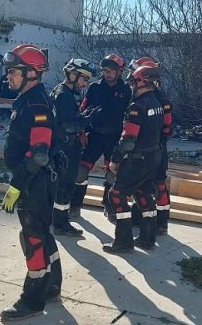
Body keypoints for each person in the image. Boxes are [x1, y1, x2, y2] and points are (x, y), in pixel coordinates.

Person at [0, 44, 61, 321]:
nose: (8, 76)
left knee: (33, 238)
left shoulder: (37, 105)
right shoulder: (28, 100)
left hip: (34, 182)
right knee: (43, 234)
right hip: (35, 181)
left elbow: (38, 155)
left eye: (12, 71)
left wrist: (17, 185)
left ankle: (33, 301)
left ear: (31, 74)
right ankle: (52, 287)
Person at [102, 65, 164, 254]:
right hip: (154, 156)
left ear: (141, 82)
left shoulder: (137, 107)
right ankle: (147, 238)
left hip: (138, 158)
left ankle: (123, 242)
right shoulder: (157, 104)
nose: (130, 85)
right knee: (143, 192)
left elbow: (128, 139)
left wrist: (115, 159)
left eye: (132, 81)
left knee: (116, 194)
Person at [69, 53, 132, 222]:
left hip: (114, 138)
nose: (107, 74)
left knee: (111, 173)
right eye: (105, 70)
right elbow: (82, 109)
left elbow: (130, 116)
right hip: (94, 136)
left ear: (119, 71)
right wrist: (81, 131)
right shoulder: (94, 88)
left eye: (111, 70)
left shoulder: (126, 90)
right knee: (81, 172)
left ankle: (108, 205)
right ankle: (75, 206)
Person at [49, 58, 97, 237]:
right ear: (73, 75)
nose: (84, 84)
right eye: (83, 79)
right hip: (66, 147)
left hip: (63, 146)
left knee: (59, 185)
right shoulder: (64, 95)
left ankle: (55, 219)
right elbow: (69, 126)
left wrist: (83, 115)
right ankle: (61, 225)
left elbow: (66, 118)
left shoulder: (61, 92)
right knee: (66, 186)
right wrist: (87, 119)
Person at [129, 57, 172, 234]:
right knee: (143, 185)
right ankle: (141, 216)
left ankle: (161, 222)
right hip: (151, 149)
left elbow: (167, 128)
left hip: (154, 149)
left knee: (158, 184)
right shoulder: (150, 97)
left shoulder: (160, 100)